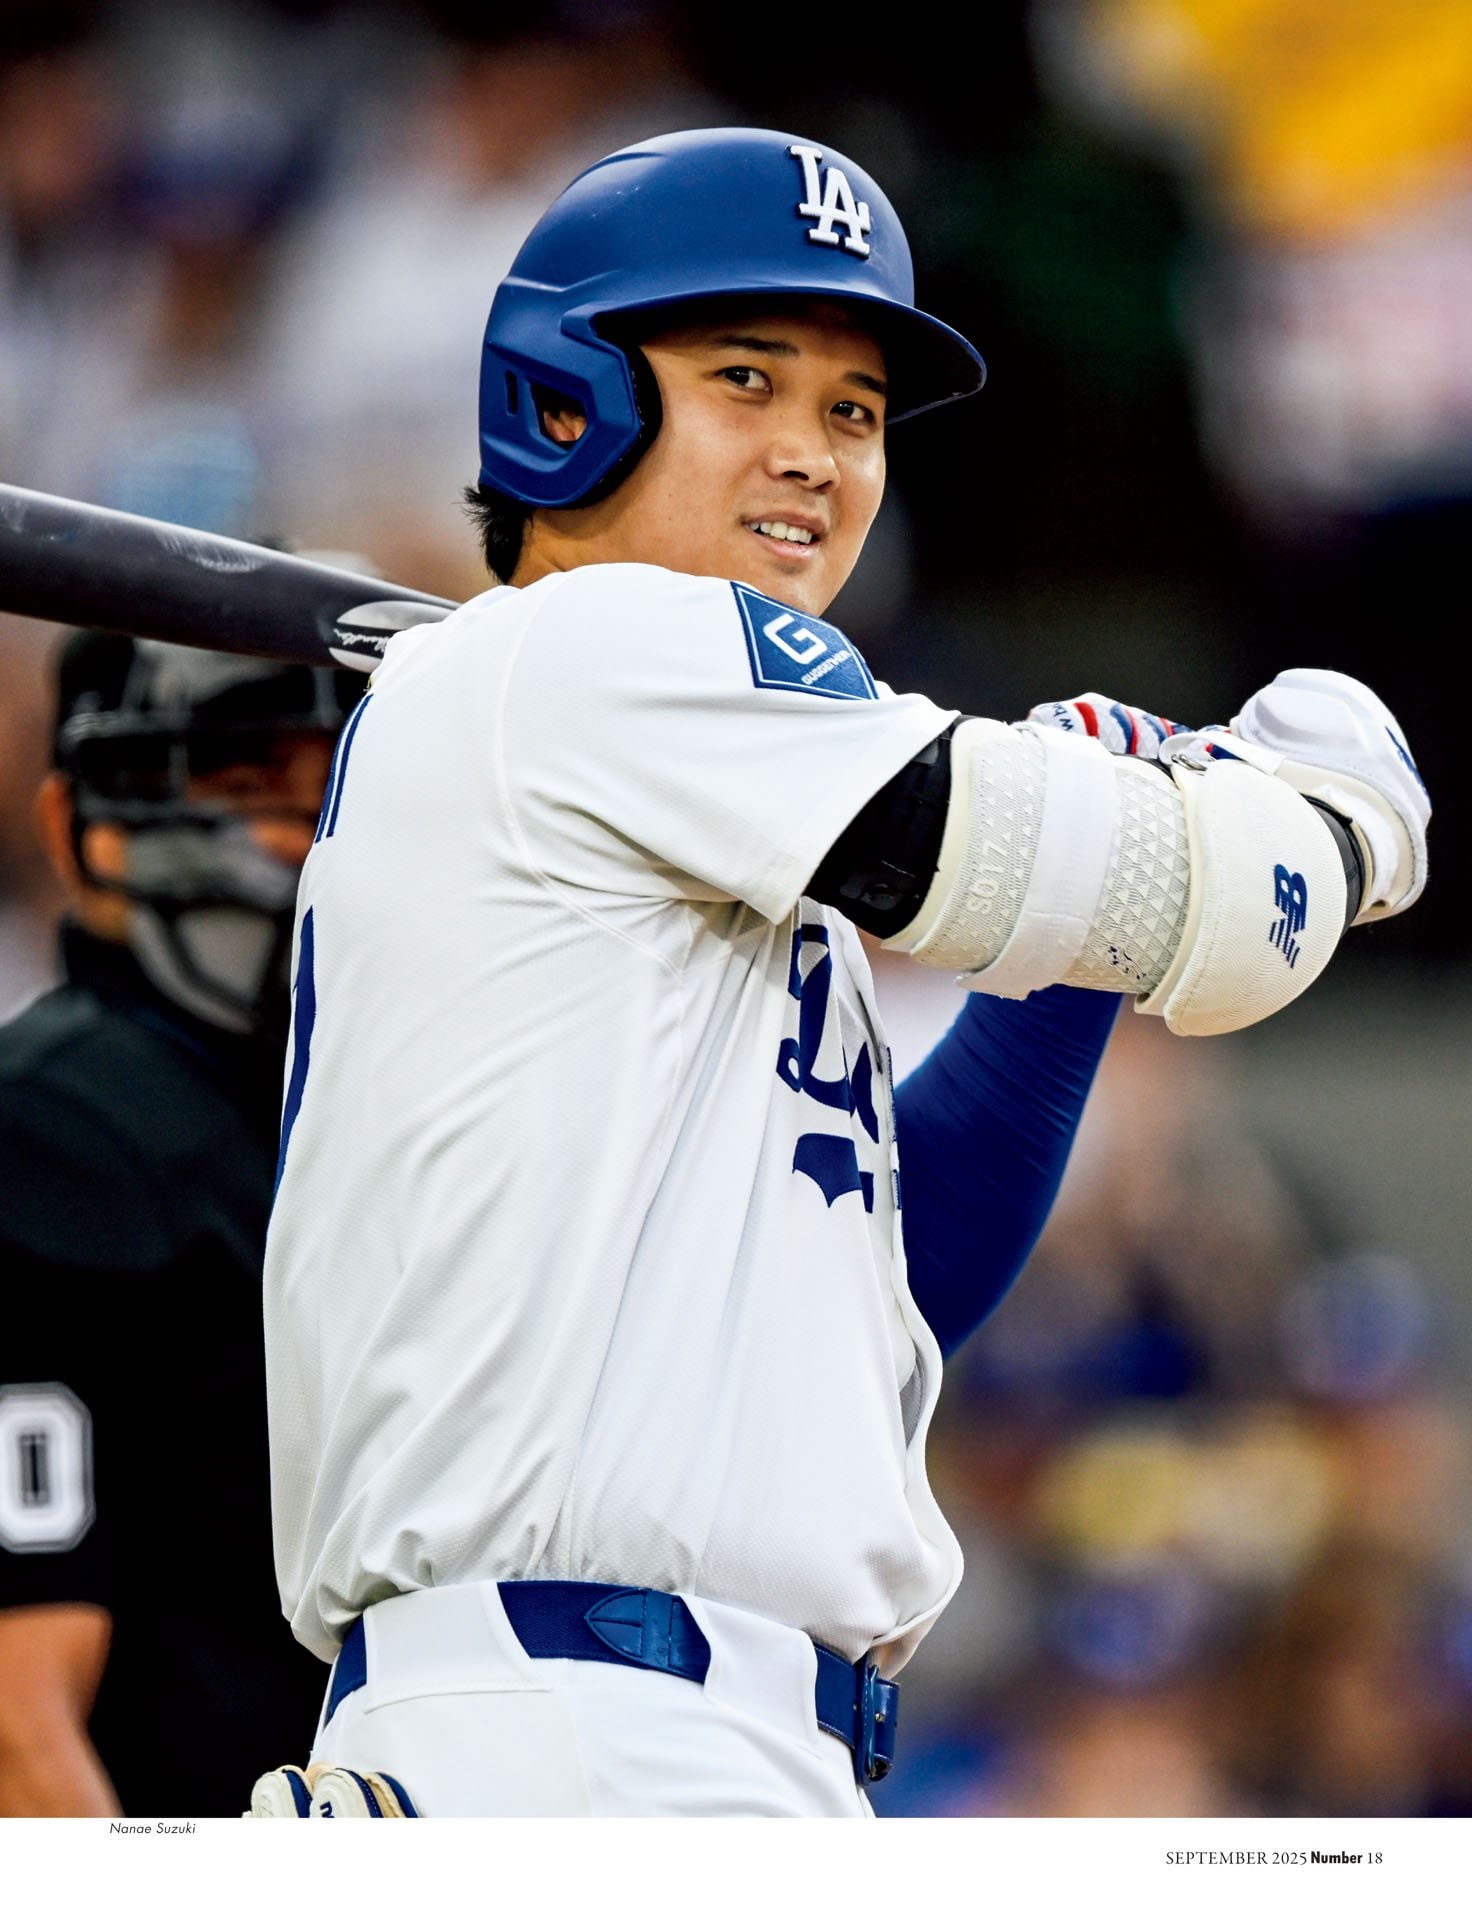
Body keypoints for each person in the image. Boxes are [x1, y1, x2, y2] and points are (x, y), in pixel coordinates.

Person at [253, 127, 1430, 1818]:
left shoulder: (660, 800)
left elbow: (893, 1282)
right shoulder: (602, 649)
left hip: (691, 1733)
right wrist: (1329, 805)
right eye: (747, 380)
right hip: (582, 1730)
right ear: (566, 404)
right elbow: (1238, 918)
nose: (813, 455)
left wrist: (1072, 958)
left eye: (856, 412)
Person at [0, 627, 359, 1816]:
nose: (304, 837)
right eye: (248, 784)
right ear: (77, 828)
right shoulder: (50, 1140)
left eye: (338, 786)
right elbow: (16, 1726)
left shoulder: (369, 1117)